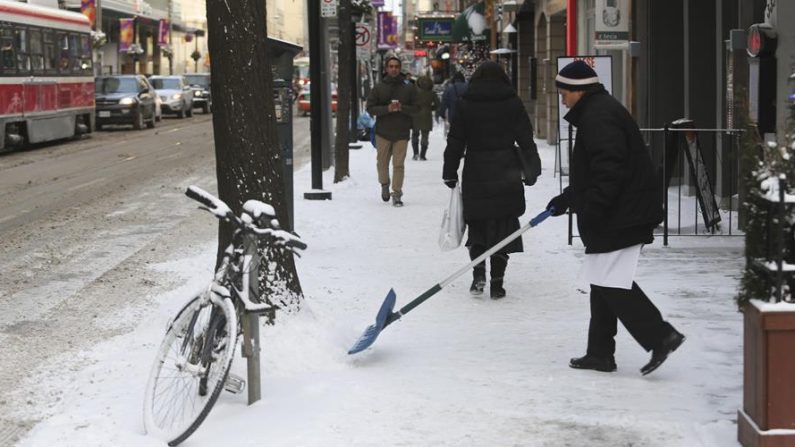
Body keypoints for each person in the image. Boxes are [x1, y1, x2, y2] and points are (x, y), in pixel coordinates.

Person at [546, 60, 685, 376]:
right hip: (620, 212)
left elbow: (609, 171)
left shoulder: (599, 117)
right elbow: (595, 172)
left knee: (611, 282)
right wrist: (570, 199)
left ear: (579, 90)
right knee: (603, 279)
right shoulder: (598, 112)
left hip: (621, 214)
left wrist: (591, 210)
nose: (562, 99)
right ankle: (600, 353)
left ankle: (660, 336)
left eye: (564, 92)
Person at [442, 61, 540, 299]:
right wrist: (533, 169)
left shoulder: (466, 104)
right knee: (503, 226)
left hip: (476, 171)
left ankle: (478, 275)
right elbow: (526, 138)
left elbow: (455, 141)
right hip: (506, 171)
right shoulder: (512, 103)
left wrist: (450, 170)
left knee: (478, 225)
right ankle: (497, 281)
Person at [366, 56, 418, 207]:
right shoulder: (379, 88)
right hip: (383, 132)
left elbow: (416, 109)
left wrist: (402, 107)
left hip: (402, 132)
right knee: (382, 163)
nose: (394, 69)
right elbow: (370, 108)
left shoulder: (409, 88)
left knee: (398, 164)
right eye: (391, 66)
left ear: (400, 68)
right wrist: (387, 109)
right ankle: (384, 184)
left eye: (396, 66)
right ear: (387, 69)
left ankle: (397, 194)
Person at [410, 75, 440, 161]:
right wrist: (430, 108)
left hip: (415, 114)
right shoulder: (432, 93)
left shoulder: (414, 93)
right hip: (427, 115)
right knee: (425, 136)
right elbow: (438, 104)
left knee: (415, 134)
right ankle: (422, 155)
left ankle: (415, 153)